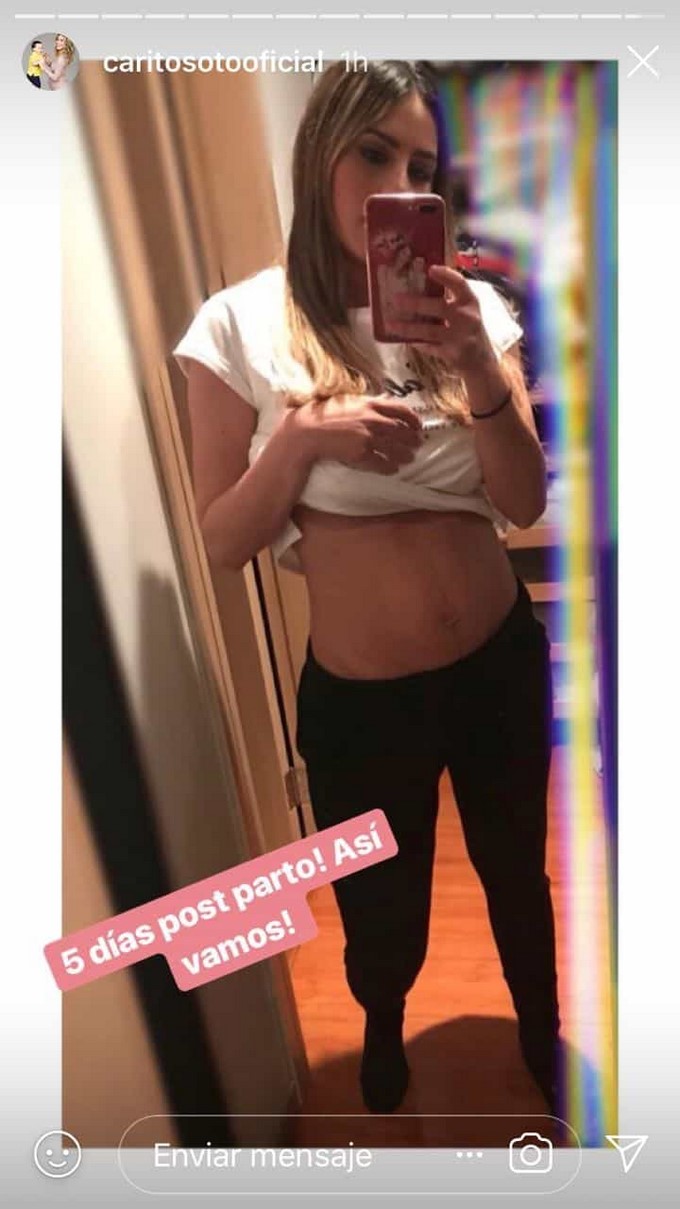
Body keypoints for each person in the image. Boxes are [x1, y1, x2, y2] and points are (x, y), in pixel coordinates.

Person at [173, 60, 561, 1118]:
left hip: (495, 663)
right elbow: (222, 539)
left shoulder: (473, 311)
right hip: (361, 699)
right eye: (374, 153)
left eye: (421, 167)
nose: (399, 185)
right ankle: (382, 1022)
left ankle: (539, 1028)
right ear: (319, 156)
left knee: (515, 873)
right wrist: (300, 439)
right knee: (381, 903)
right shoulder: (237, 326)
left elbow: (522, 500)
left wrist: (478, 365)